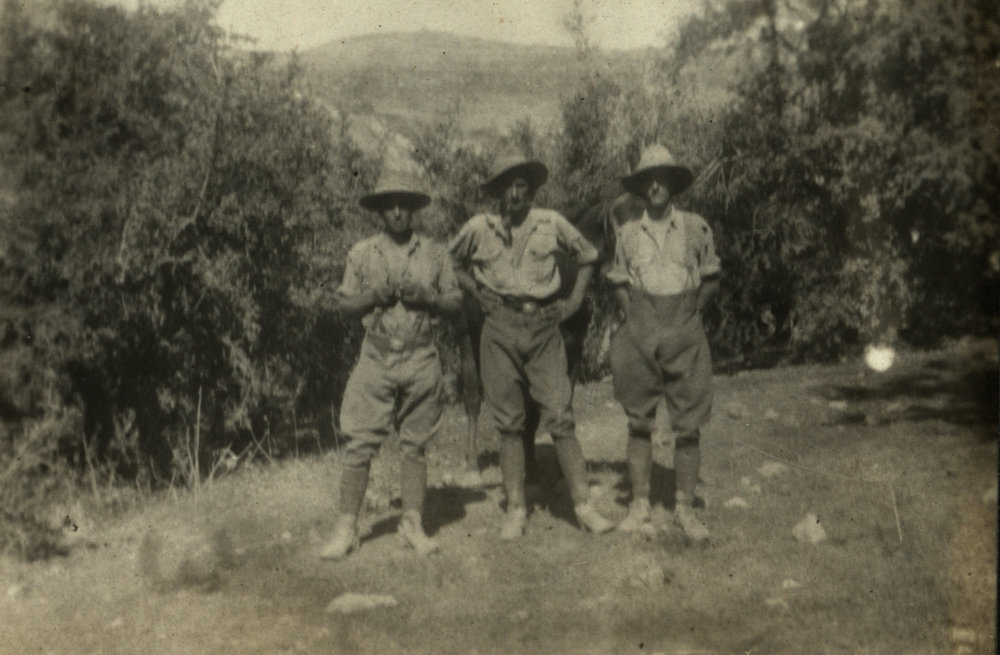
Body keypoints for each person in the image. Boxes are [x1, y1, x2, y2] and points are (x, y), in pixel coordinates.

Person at [448, 154, 615, 540]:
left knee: (560, 415)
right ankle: (516, 509)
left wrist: (573, 302)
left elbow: (589, 254)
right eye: (507, 186)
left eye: (522, 185)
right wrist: (476, 290)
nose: (515, 193)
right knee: (508, 424)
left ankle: (584, 507)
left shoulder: (551, 222)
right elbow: (452, 259)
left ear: (532, 190)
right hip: (499, 328)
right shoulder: (479, 227)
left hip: (542, 327)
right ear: (498, 193)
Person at [321, 173, 463, 560]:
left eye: (404, 204)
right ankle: (346, 528)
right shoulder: (363, 252)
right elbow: (344, 306)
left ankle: (412, 524)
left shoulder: (435, 252)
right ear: (380, 211)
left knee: (414, 446)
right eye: (390, 205)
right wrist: (373, 296)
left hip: (421, 357)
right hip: (376, 356)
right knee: (359, 443)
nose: (398, 211)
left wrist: (429, 298)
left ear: (414, 209)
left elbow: (456, 303)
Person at [607, 144, 721, 542]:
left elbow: (711, 278)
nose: (656, 185)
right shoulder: (626, 234)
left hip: (684, 330)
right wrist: (636, 319)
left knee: (688, 426)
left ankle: (685, 509)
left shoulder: (696, 227)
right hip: (640, 331)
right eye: (648, 179)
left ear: (672, 183)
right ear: (641, 187)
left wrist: (688, 316)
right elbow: (619, 283)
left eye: (662, 178)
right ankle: (639, 505)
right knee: (638, 421)